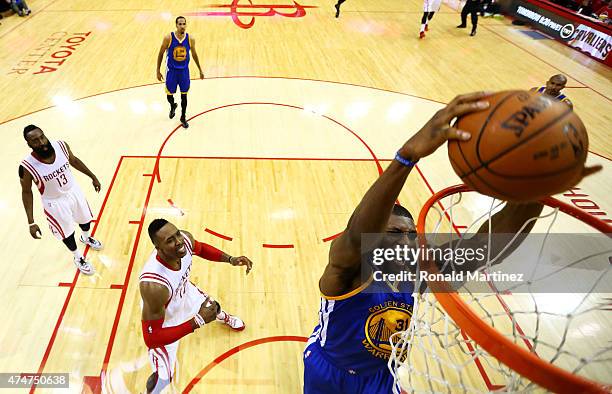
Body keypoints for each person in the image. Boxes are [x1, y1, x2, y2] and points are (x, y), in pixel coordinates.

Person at [302, 91, 601, 393]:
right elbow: (356, 235)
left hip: (381, 374)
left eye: (410, 234)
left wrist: (539, 163)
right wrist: (407, 157)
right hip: (330, 370)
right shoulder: (348, 272)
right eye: (394, 233)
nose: (406, 241)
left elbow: (490, 246)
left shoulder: (416, 272)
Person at [140, 219, 253, 394]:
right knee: (163, 378)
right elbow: (152, 339)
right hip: (165, 319)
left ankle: (224, 318)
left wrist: (230, 259)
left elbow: (200, 248)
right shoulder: (153, 286)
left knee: (213, 307)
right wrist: (198, 321)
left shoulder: (184, 240)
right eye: (169, 240)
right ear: (158, 248)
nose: (178, 241)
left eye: (177, 234)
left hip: (184, 291)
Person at [19, 125, 102, 275]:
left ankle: (86, 238)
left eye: (42, 137)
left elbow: (74, 161)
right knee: (67, 233)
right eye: (35, 141)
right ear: (29, 144)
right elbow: (26, 192)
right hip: (54, 202)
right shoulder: (26, 166)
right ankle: (78, 257)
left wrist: (93, 177)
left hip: (73, 191)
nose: (42, 142)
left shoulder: (61, 146)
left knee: (85, 220)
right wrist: (31, 222)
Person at [156, 16, 204, 129]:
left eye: (184, 24)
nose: (182, 26)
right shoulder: (168, 38)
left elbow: (194, 54)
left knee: (184, 96)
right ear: (176, 25)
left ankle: (183, 117)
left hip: (184, 71)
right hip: (172, 71)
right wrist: (157, 70)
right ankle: (172, 106)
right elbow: (160, 53)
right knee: (169, 94)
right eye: (180, 24)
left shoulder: (190, 39)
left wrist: (200, 70)